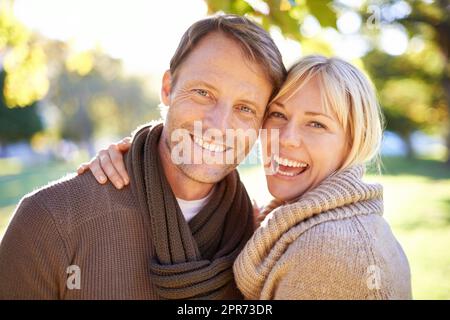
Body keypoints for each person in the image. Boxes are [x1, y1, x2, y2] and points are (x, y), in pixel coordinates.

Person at [0, 15, 286, 299]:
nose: (219, 125)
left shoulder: (258, 238)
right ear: (167, 88)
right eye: (203, 92)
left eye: (245, 109)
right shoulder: (50, 220)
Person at [83, 55, 412, 299]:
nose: (285, 138)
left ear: (354, 140)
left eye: (317, 124)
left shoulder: (329, 249)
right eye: (278, 115)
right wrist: (144, 156)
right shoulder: (286, 221)